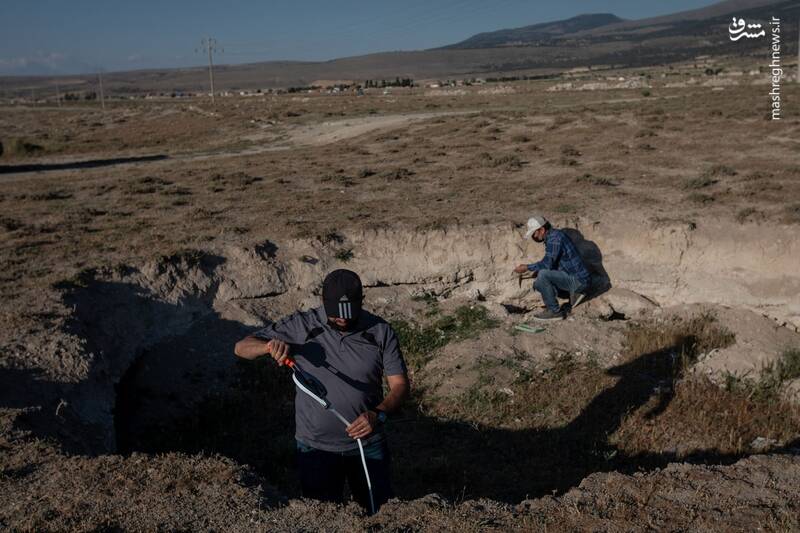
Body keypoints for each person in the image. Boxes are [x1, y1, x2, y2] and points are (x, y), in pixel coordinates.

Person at [234, 269, 409, 513]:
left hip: (368, 445)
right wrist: (268, 347)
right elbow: (241, 347)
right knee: (322, 517)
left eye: (349, 313)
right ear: (324, 302)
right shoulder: (301, 325)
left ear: (362, 301)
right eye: (336, 313)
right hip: (316, 448)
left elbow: (400, 386)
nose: (343, 320)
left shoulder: (381, 331)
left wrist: (377, 414)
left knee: (379, 512)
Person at [513, 214, 591, 321]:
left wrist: (527, 267)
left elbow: (547, 264)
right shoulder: (553, 236)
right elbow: (553, 262)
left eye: (534, 234)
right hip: (576, 278)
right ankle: (575, 294)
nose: (533, 237)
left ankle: (554, 312)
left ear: (542, 230)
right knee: (539, 284)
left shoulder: (554, 239)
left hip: (580, 281)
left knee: (543, 275)